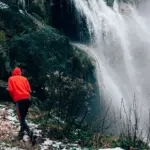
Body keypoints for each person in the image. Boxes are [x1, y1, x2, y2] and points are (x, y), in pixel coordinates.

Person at [8, 67, 33, 140]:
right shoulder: (24, 79)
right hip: (27, 99)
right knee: (23, 117)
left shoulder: (11, 79)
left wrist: (14, 98)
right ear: (20, 72)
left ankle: (29, 132)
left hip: (19, 99)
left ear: (13, 72)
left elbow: (10, 90)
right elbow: (28, 90)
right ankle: (21, 133)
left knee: (21, 118)